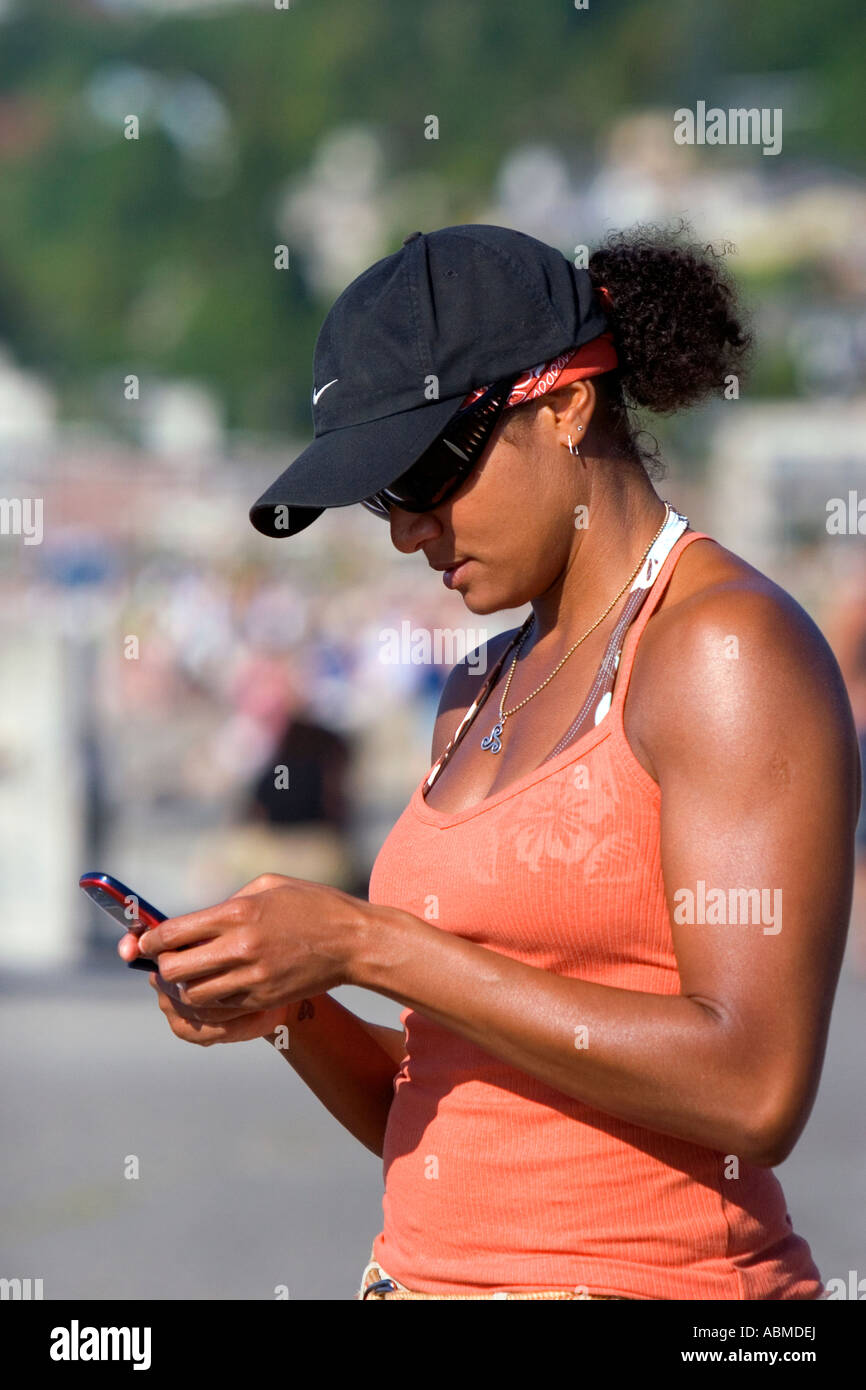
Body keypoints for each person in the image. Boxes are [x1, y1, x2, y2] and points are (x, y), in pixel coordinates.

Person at [119, 224, 861, 1301]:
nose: (405, 530)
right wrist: (288, 1003)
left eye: (423, 471)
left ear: (562, 403)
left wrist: (367, 944)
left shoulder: (719, 651)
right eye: (380, 496)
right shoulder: (476, 692)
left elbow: (754, 1088)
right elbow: (444, 1113)